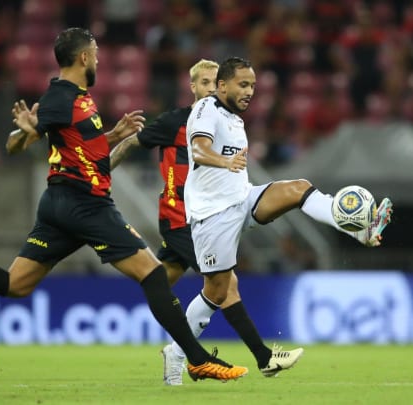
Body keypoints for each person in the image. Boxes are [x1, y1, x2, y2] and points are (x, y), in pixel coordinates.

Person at [0, 28, 247, 383]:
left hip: (58, 204)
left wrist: (114, 136)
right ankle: (197, 360)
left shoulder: (80, 98)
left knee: (15, 283)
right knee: (153, 274)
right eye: (96, 54)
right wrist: (26, 130)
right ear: (84, 57)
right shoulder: (61, 96)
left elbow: (82, 150)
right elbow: (16, 143)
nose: (100, 60)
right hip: (86, 204)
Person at [174, 56, 394, 383]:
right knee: (217, 291)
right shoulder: (206, 109)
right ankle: (179, 356)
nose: (250, 91)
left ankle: (354, 226)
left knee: (298, 189)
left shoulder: (234, 118)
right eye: (242, 84)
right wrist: (225, 162)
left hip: (241, 200)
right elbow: (199, 150)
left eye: (252, 85)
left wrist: (232, 170)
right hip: (212, 214)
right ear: (222, 85)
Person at [112, 59, 306, 385]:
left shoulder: (226, 121)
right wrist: (100, 170)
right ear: (193, 87)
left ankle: (172, 351)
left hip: (209, 216)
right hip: (180, 219)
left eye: (214, 82)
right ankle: (262, 356)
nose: (209, 88)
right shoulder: (176, 121)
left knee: (158, 282)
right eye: (203, 82)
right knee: (225, 285)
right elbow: (133, 142)